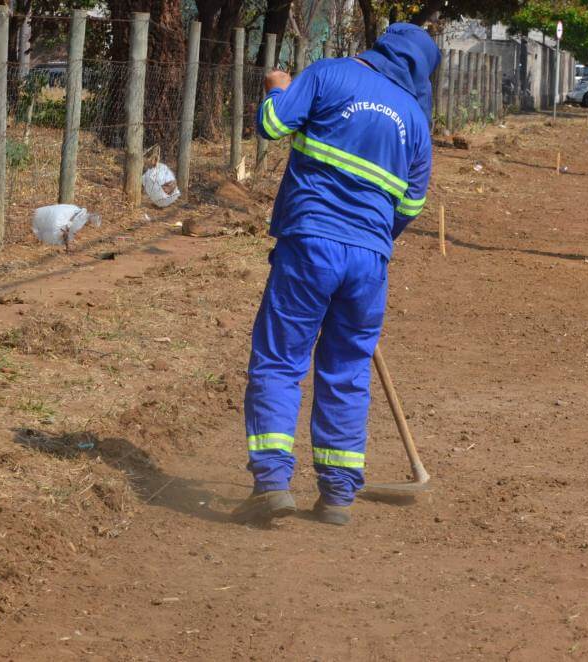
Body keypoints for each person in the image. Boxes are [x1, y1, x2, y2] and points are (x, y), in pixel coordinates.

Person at [232, 24, 440, 527]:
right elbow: (411, 205)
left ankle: (272, 484)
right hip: (369, 261)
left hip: (309, 245)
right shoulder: (415, 121)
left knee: (280, 360)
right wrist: (369, 241)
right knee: (347, 370)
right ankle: (338, 496)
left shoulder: (330, 75)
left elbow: (272, 125)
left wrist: (277, 87)